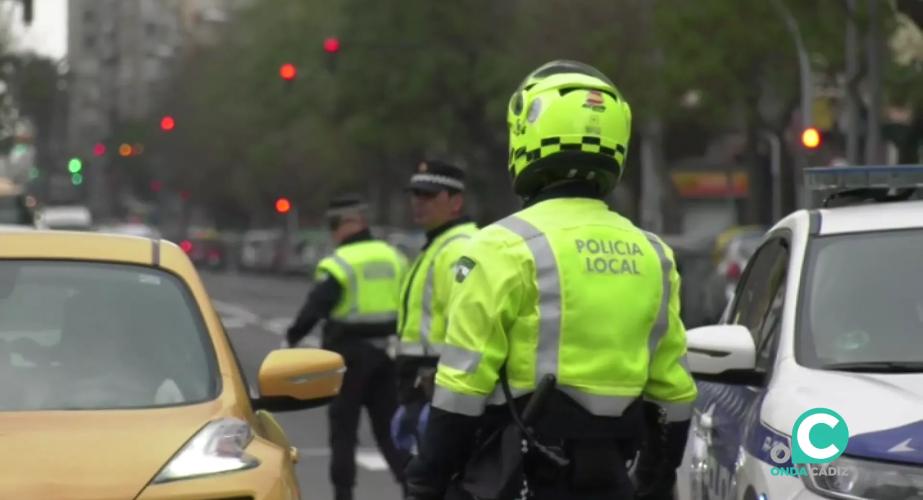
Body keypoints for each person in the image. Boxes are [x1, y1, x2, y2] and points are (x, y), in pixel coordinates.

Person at [403, 60, 698, 500]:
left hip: (521, 476)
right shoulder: (654, 254)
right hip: (615, 477)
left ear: (527, 136)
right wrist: (652, 482)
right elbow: (673, 394)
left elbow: (462, 392)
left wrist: (424, 484)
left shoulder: (499, 246)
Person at [284, 194, 410, 500]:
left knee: (344, 432)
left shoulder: (339, 262)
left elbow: (316, 306)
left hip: (349, 357)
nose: (333, 232)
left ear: (354, 222)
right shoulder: (396, 257)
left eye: (334, 225)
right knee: (389, 432)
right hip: (390, 354)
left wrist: (291, 339)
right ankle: (415, 490)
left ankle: (344, 495)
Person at [392, 160, 479, 455]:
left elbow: (470, 325)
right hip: (422, 383)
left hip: (437, 382)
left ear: (456, 201)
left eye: (429, 195)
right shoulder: (438, 245)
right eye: (415, 194)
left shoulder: (458, 248)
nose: (418, 202)